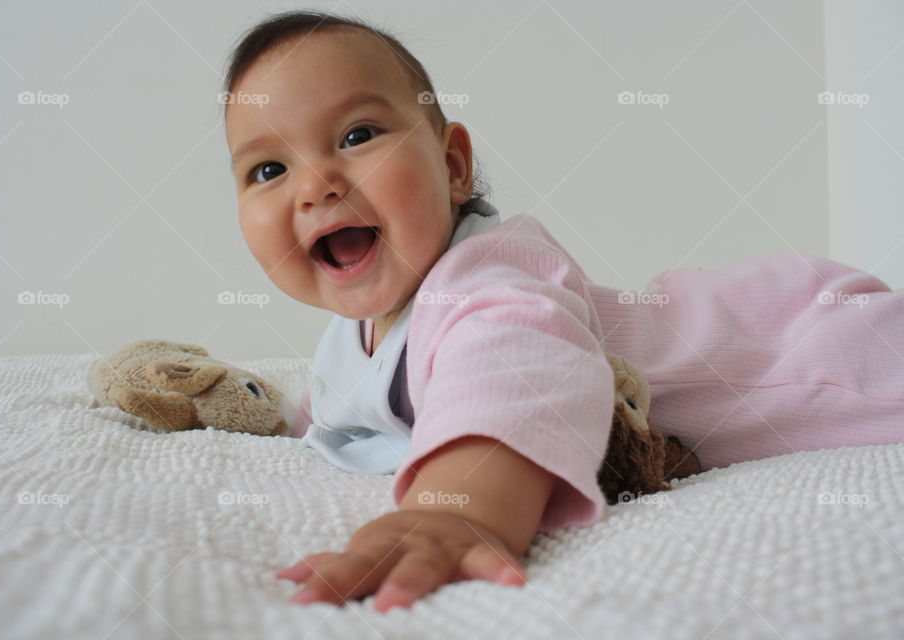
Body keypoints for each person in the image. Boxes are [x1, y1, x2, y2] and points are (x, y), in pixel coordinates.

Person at [222, 10, 903, 613]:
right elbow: (340, 419)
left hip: (811, 343)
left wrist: (454, 510)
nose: (316, 185)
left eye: (358, 134)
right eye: (268, 170)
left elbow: (515, 373)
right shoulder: (348, 340)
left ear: (454, 166)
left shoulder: (493, 272)